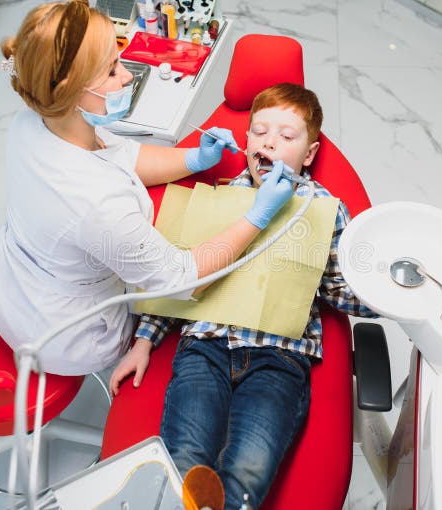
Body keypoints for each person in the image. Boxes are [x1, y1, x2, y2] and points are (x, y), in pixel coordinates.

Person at [0, 0, 295, 376]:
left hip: (12, 282)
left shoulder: (38, 120)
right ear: (70, 91)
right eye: (113, 70)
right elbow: (183, 280)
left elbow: (123, 156)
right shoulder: (95, 204)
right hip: (67, 333)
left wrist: (194, 158)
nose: (128, 74)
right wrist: (259, 216)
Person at [109, 83, 378, 508]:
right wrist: (144, 341)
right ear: (247, 141)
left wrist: (388, 295)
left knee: (247, 473)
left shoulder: (323, 207)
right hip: (204, 348)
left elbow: (336, 290)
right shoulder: (218, 196)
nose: (270, 141)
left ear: (309, 154)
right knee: (184, 460)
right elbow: (178, 280)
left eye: (287, 137)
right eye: (259, 132)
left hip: (280, 357)